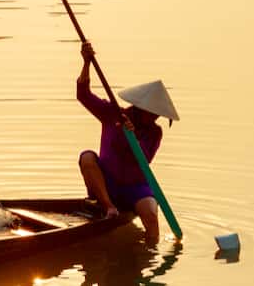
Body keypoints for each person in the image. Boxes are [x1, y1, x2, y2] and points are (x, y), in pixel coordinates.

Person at [74, 41, 178, 244]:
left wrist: (133, 136)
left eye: (158, 114)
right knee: (87, 157)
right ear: (140, 108)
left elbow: (143, 159)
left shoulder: (154, 132)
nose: (156, 118)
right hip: (108, 184)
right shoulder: (113, 113)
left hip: (135, 187)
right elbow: (83, 95)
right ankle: (108, 207)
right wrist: (86, 63)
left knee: (150, 213)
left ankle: (149, 252)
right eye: (153, 113)